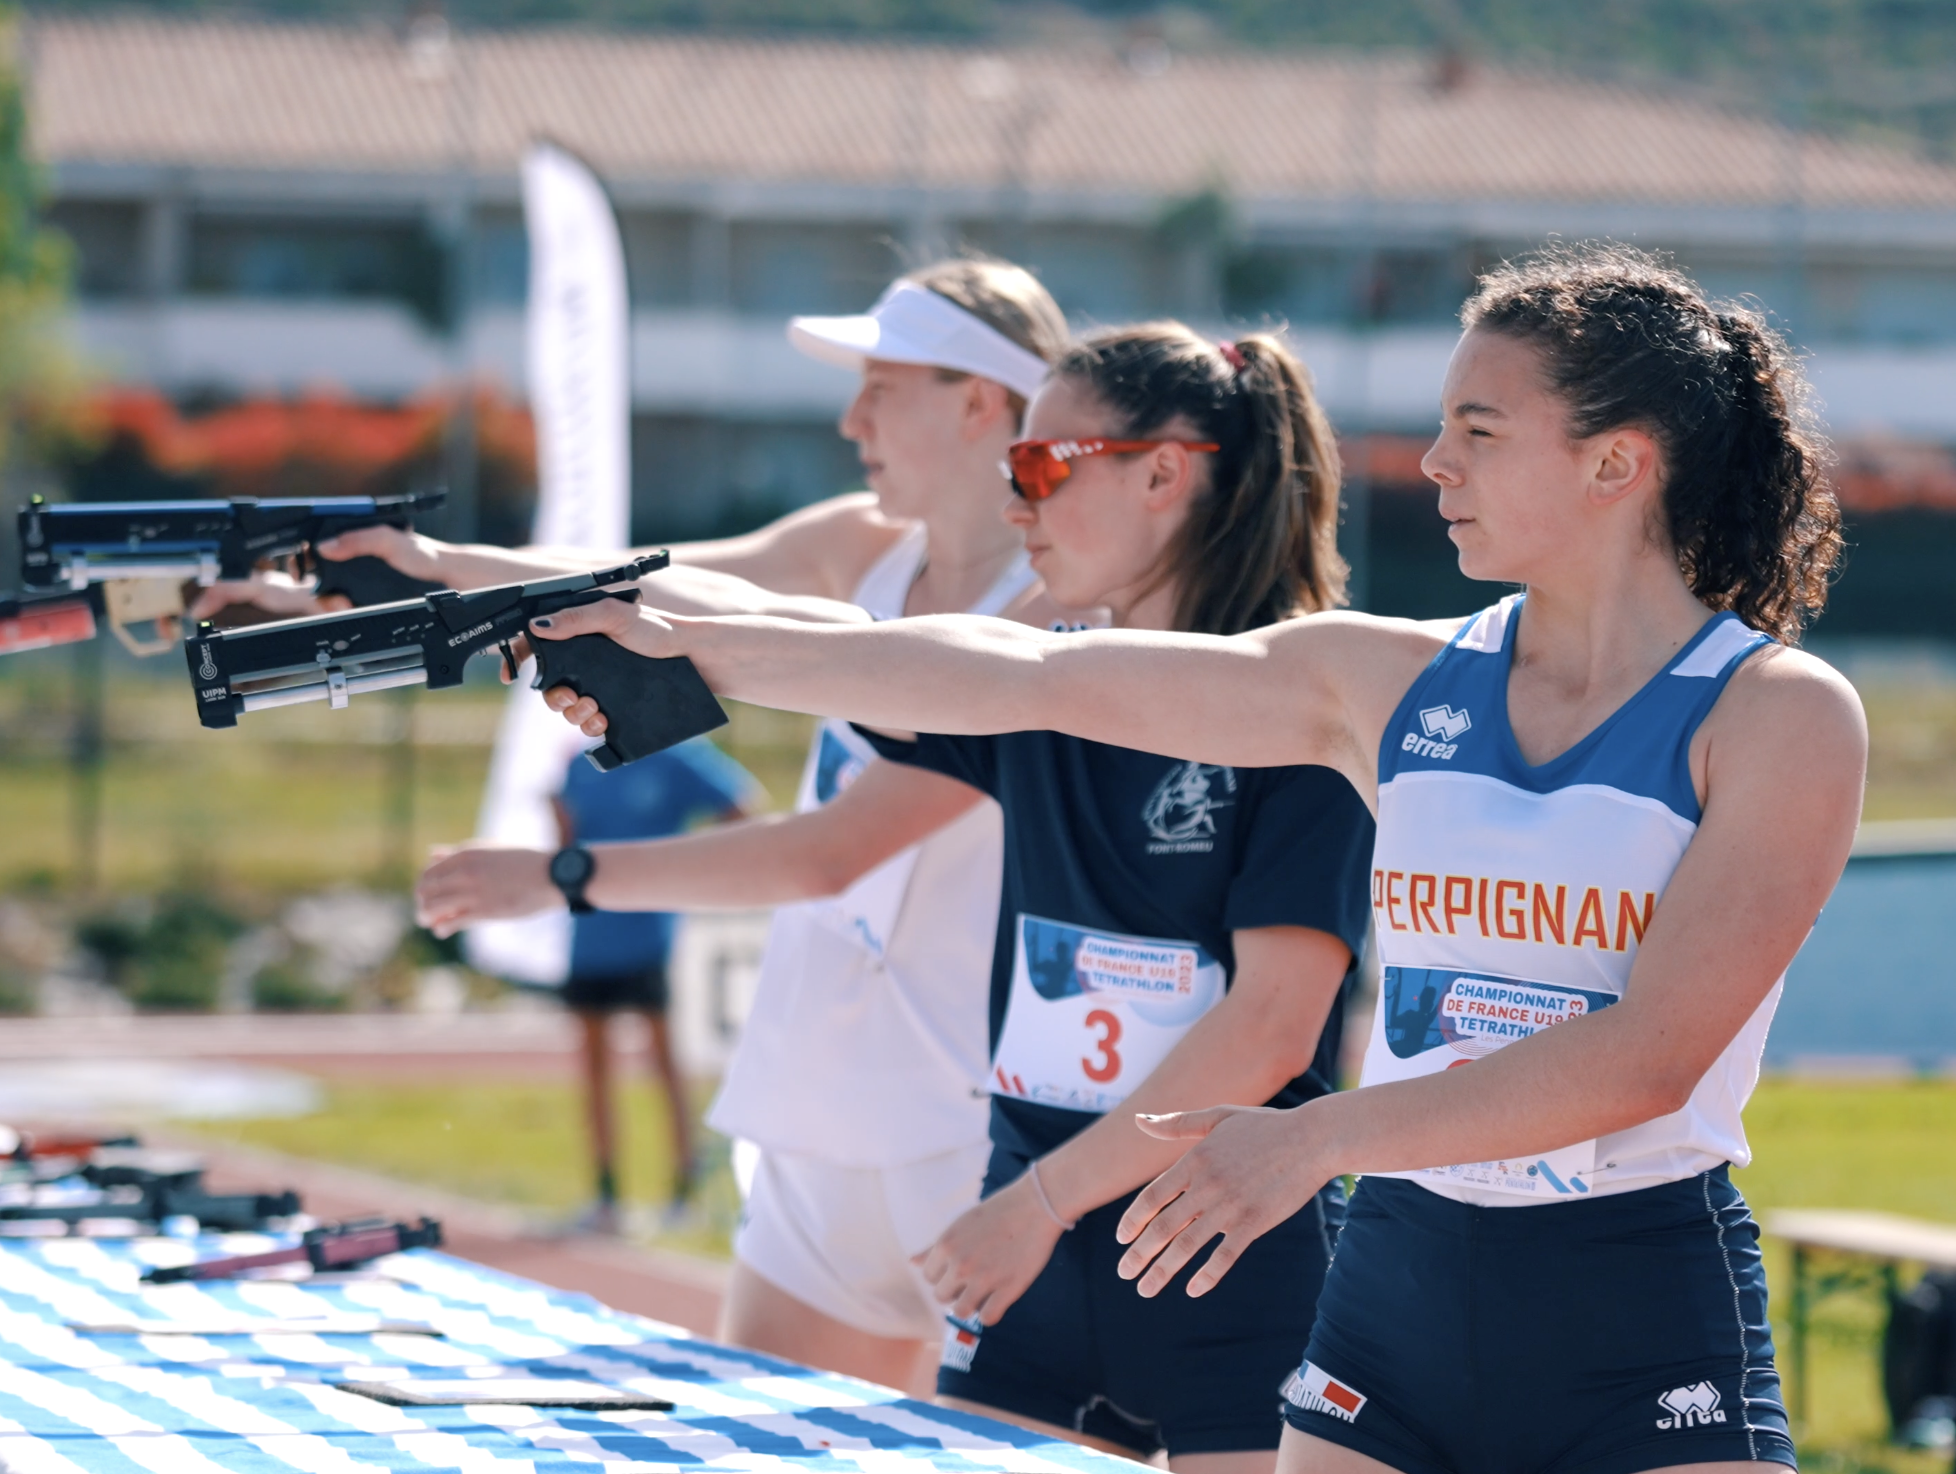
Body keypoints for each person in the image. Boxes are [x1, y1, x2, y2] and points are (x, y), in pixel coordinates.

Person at [524, 244, 1863, 1474]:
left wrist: (1311, 1139)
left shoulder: (1779, 714)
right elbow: (1020, 672)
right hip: (1394, 1295)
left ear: (1614, 463)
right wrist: (693, 648)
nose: (1435, 460)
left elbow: (1648, 1057)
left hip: (1630, 1300)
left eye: (1479, 428)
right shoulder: (1382, 682)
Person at [517, 322, 1377, 1471]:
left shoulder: (1309, 709)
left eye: (1039, 467)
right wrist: (655, 652)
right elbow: (866, 656)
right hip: (1026, 1258)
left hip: (1214, 1256)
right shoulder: (1042, 684)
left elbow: (1271, 1028)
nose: (1014, 505)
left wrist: (1041, 1204)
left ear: (1165, 472)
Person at [332, 257, 1090, 1395]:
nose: (851, 419)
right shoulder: (864, 545)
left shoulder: (1063, 605)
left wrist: (565, 874)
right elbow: (640, 584)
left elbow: (831, 849)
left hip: (974, 1130)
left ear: (981, 398)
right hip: (817, 1098)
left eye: (881, 387)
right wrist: (414, 579)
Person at [544, 737, 762, 1230]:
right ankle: (605, 1196)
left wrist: (695, 869)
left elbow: (741, 807)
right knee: (594, 1067)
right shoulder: (576, 764)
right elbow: (567, 846)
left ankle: (683, 1190)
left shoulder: (675, 754)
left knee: (664, 1063)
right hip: (590, 934)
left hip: (648, 936)